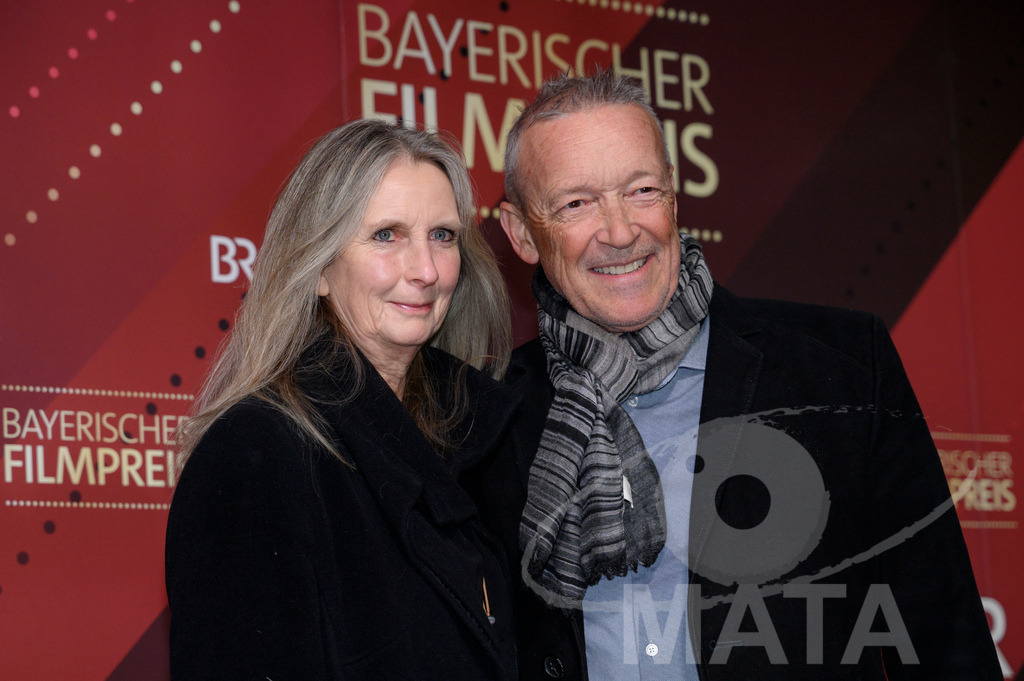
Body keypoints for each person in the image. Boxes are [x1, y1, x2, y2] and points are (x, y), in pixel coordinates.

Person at [465, 72, 1002, 680]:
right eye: (576, 204)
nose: (618, 231)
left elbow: (943, 630)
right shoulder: (490, 413)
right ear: (520, 233)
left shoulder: (844, 367)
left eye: (641, 190)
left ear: (673, 197)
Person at [165, 119, 519, 680]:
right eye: (387, 235)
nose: (426, 270)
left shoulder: (476, 439)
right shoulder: (256, 456)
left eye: (443, 236)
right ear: (319, 268)